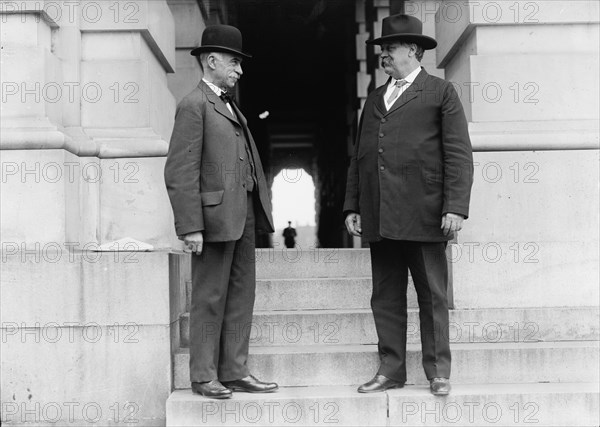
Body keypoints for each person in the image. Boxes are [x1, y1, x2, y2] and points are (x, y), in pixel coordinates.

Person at [343, 14, 473, 396]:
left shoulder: (440, 92)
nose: (383, 54)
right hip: (380, 216)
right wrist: (353, 205)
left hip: (426, 213)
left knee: (432, 295)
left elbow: (458, 154)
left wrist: (455, 207)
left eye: (390, 47)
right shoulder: (374, 100)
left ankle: (438, 371)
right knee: (385, 296)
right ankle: (391, 370)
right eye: (382, 48)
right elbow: (360, 157)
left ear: (413, 51)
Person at [164, 24, 278, 399]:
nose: (239, 70)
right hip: (212, 220)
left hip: (241, 215)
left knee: (242, 294)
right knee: (210, 297)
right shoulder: (193, 105)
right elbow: (180, 172)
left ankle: (234, 370)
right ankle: (203, 375)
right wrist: (190, 227)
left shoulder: (227, 104)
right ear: (211, 61)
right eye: (234, 62)